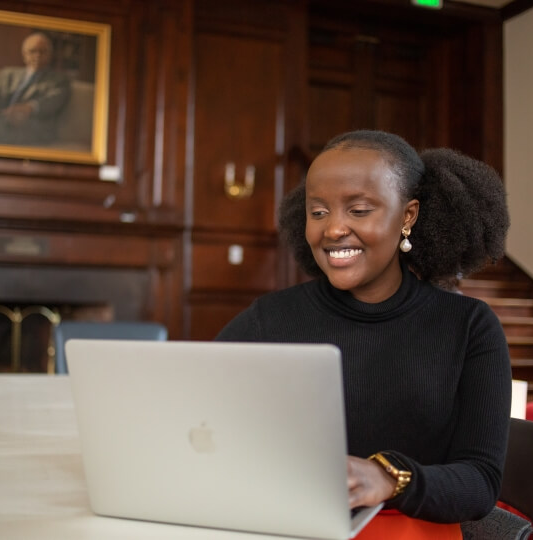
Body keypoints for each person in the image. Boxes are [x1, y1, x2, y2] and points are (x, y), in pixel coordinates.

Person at [215, 130, 512, 531]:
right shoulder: (269, 318)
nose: (333, 229)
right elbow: (199, 422)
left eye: (358, 210)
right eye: (318, 212)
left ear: (407, 216)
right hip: (285, 527)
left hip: (407, 532)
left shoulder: (469, 327)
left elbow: (480, 482)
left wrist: (388, 477)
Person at [0, 32, 71, 146]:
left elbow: (52, 101)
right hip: (0, 119)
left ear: (50, 55)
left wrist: (29, 108)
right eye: (33, 51)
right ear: (24, 54)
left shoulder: (59, 80)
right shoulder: (9, 74)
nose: (37, 55)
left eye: (42, 51)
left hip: (32, 127)